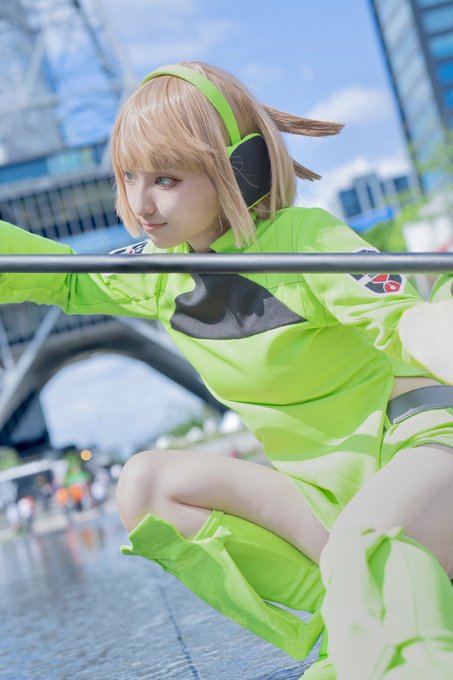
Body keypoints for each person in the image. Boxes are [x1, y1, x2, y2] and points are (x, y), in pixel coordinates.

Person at [1, 61, 453, 679]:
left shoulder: (304, 239)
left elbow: (404, 317)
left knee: (363, 547)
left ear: (239, 169)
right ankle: (350, 619)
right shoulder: (156, 272)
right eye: (128, 176)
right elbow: (67, 279)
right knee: (146, 486)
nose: (139, 204)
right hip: (323, 497)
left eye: (166, 178)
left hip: (417, 449)